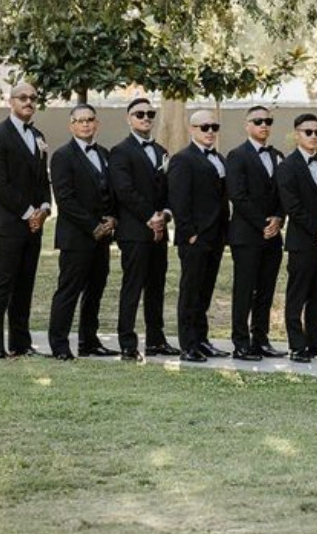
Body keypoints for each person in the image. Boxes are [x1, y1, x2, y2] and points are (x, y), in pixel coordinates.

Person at [47, 105, 117, 361]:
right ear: (71, 125)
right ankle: (59, 345)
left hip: (102, 239)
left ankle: (89, 341)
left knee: (95, 291)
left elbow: (111, 193)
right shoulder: (62, 156)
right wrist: (93, 226)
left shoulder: (105, 154)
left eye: (89, 120)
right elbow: (65, 200)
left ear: (96, 123)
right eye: (79, 121)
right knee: (68, 291)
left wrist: (112, 219)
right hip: (76, 238)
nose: (85, 125)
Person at [109, 97, 176, 361]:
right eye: (140, 114)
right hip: (134, 231)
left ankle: (156, 341)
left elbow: (169, 190)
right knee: (132, 287)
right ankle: (127, 343)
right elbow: (124, 190)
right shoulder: (120, 151)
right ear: (129, 118)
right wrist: (150, 216)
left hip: (159, 232)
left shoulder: (161, 151)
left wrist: (165, 215)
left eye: (150, 113)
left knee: (157, 287)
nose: (146, 117)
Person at [0, 83, 51, 359]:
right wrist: (29, 213)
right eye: (23, 97)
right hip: (6, 225)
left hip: (33, 226)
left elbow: (41, 180)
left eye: (33, 98)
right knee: (2, 285)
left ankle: (21, 343)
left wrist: (45, 208)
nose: (28, 102)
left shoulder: (38, 135)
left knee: (25, 285)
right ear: (10, 101)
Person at [167, 110, 230, 362]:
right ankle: (188, 345)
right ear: (192, 129)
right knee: (190, 292)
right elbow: (179, 199)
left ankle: (202, 340)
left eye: (214, 127)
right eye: (204, 127)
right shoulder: (183, 159)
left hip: (216, 237)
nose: (210, 132)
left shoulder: (220, 159)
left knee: (205, 292)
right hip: (195, 237)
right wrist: (189, 233)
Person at [277, 113, 317, 362]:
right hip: (302, 241)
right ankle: (297, 345)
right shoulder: (287, 166)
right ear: (297, 134)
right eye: (308, 132)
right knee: (297, 295)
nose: (313, 136)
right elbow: (292, 206)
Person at [225, 106, 285, 361]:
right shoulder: (237, 155)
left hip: (273, 236)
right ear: (247, 125)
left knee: (266, 290)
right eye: (258, 121)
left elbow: (285, 192)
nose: (264, 125)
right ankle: (241, 343)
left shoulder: (278, 155)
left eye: (268, 121)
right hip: (246, 235)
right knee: (245, 290)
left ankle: (260, 339)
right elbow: (237, 195)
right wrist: (263, 222)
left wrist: (279, 219)